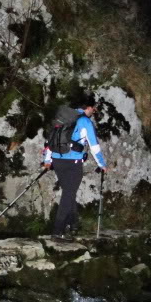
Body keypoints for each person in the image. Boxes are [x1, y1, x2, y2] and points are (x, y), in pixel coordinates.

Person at [42, 99, 107, 241]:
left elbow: (49, 140)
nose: (93, 112)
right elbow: (94, 146)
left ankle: (74, 224)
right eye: (93, 109)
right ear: (88, 107)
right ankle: (57, 231)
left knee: (69, 193)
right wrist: (102, 164)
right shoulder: (85, 122)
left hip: (57, 161)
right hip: (73, 163)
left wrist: (47, 160)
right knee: (68, 195)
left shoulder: (63, 117)